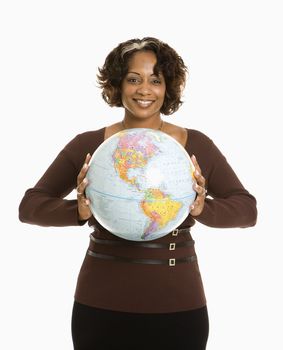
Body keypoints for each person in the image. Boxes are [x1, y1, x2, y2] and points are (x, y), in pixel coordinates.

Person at [19, 37, 257, 350]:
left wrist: (201, 208)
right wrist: (79, 211)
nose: (144, 90)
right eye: (133, 79)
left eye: (155, 80)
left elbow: (246, 210)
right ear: (117, 85)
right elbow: (30, 206)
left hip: (178, 308)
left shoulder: (195, 146)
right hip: (100, 306)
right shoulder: (89, 145)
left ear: (167, 87)